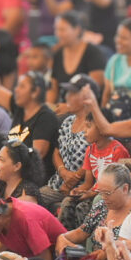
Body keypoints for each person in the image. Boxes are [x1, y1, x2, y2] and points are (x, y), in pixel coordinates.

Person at [0, 38, 59, 167]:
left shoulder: (45, 117)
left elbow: (37, 155)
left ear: (35, 92)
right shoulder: (19, 107)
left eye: (22, 87)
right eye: (17, 85)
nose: (16, 90)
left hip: (29, 175)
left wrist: (5, 164)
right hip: (11, 168)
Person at [40, 75, 96, 211]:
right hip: (59, 183)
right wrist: (63, 171)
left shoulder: (97, 124)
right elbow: (56, 152)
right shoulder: (67, 121)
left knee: (66, 205)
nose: (67, 97)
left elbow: (96, 154)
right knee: (32, 197)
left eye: (73, 93)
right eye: (68, 92)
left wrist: (75, 177)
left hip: (83, 186)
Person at [48, 14, 107, 104]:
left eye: (62, 30)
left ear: (77, 30)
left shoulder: (93, 52)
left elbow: (95, 88)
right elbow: (53, 89)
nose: (58, 34)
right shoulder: (57, 54)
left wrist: (70, 106)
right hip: (64, 107)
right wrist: (49, 107)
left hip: (87, 106)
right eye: (56, 29)